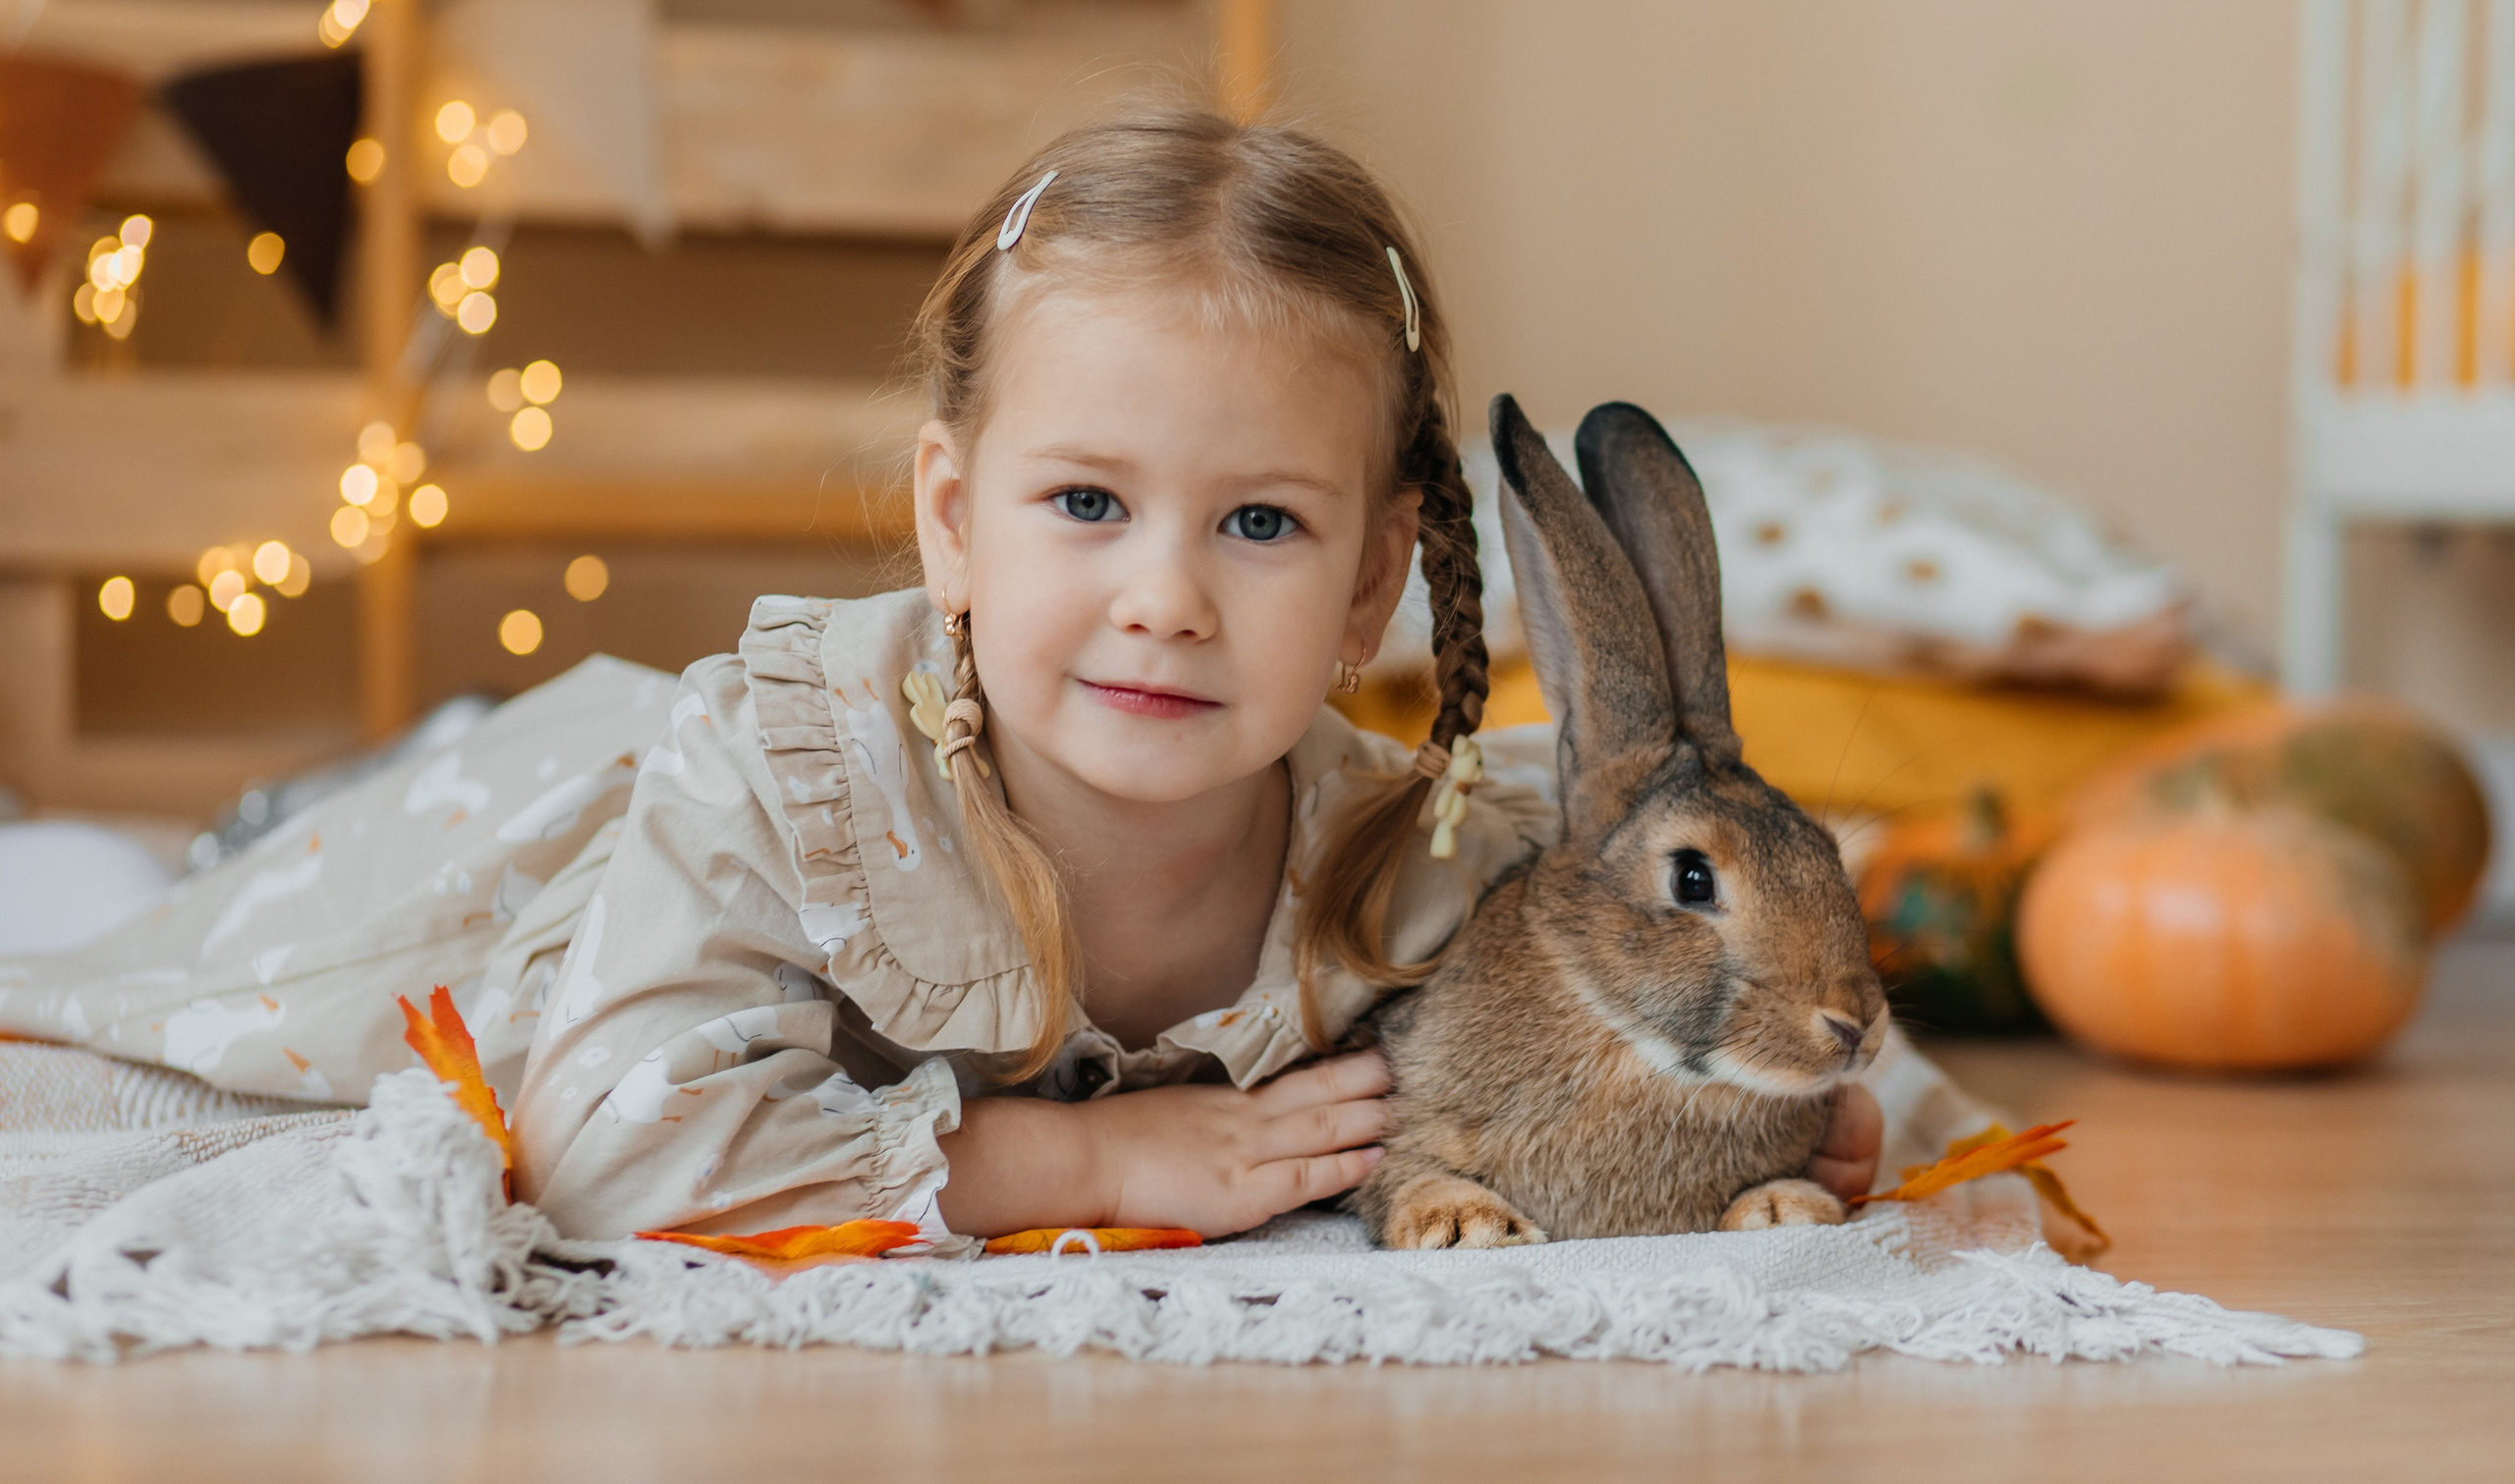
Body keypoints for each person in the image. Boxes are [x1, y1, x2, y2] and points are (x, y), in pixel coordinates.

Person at [1, 108, 1879, 1241]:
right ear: (952, 519)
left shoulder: (1429, 859)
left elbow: (1725, 972)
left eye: (1261, 527)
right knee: (187, 953)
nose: (1165, 601)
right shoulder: (783, 779)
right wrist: (1095, 1166)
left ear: (1382, 570)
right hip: (516, 858)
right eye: (1084, 502)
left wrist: (1794, 1127)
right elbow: (613, 1146)